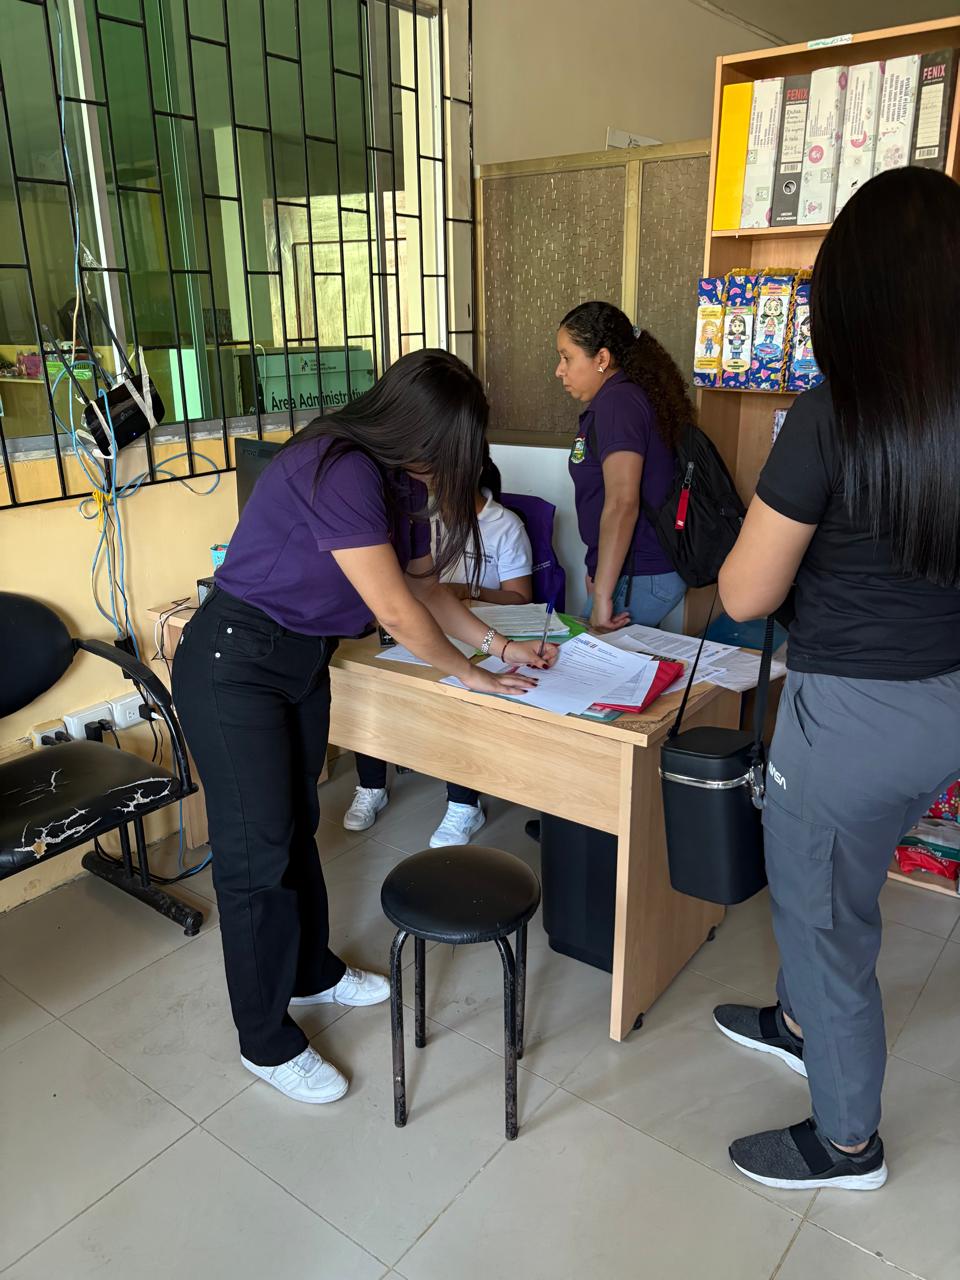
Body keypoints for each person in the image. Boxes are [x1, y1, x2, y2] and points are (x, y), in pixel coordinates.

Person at [172, 350, 558, 1106]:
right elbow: (395, 612)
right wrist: (468, 673)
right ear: (419, 430)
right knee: (255, 857)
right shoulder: (338, 465)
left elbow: (426, 588)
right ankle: (264, 1042)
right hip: (234, 664)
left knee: (296, 826)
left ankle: (311, 971)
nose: (453, 467)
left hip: (299, 659)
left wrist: (499, 647)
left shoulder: (397, 480)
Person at [712, 166, 960, 1192]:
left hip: (850, 718)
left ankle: (848, 1141)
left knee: (825, 921)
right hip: (945, 706)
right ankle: (799, 1019)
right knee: (838, 885)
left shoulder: (830, 415)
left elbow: (744, 591)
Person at [345, 446, 534, 846]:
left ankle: (464, 804)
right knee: (371, 680)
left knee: (460, 690)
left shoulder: (505, 524)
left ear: (473, 469)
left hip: (477, 631)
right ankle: (371, 785)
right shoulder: (420, 515)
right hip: (427, 625)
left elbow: (520, 598)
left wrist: (467, 591)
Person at [556, 301, 688, 632]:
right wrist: (599, 572)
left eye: (566, 358)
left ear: (601, 358)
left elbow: (622, 501)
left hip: (639, 572)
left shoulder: (618, 403)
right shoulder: (617, 399)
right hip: (631, 571)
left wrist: (603, 595)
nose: (559, 370)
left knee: (589, 660)